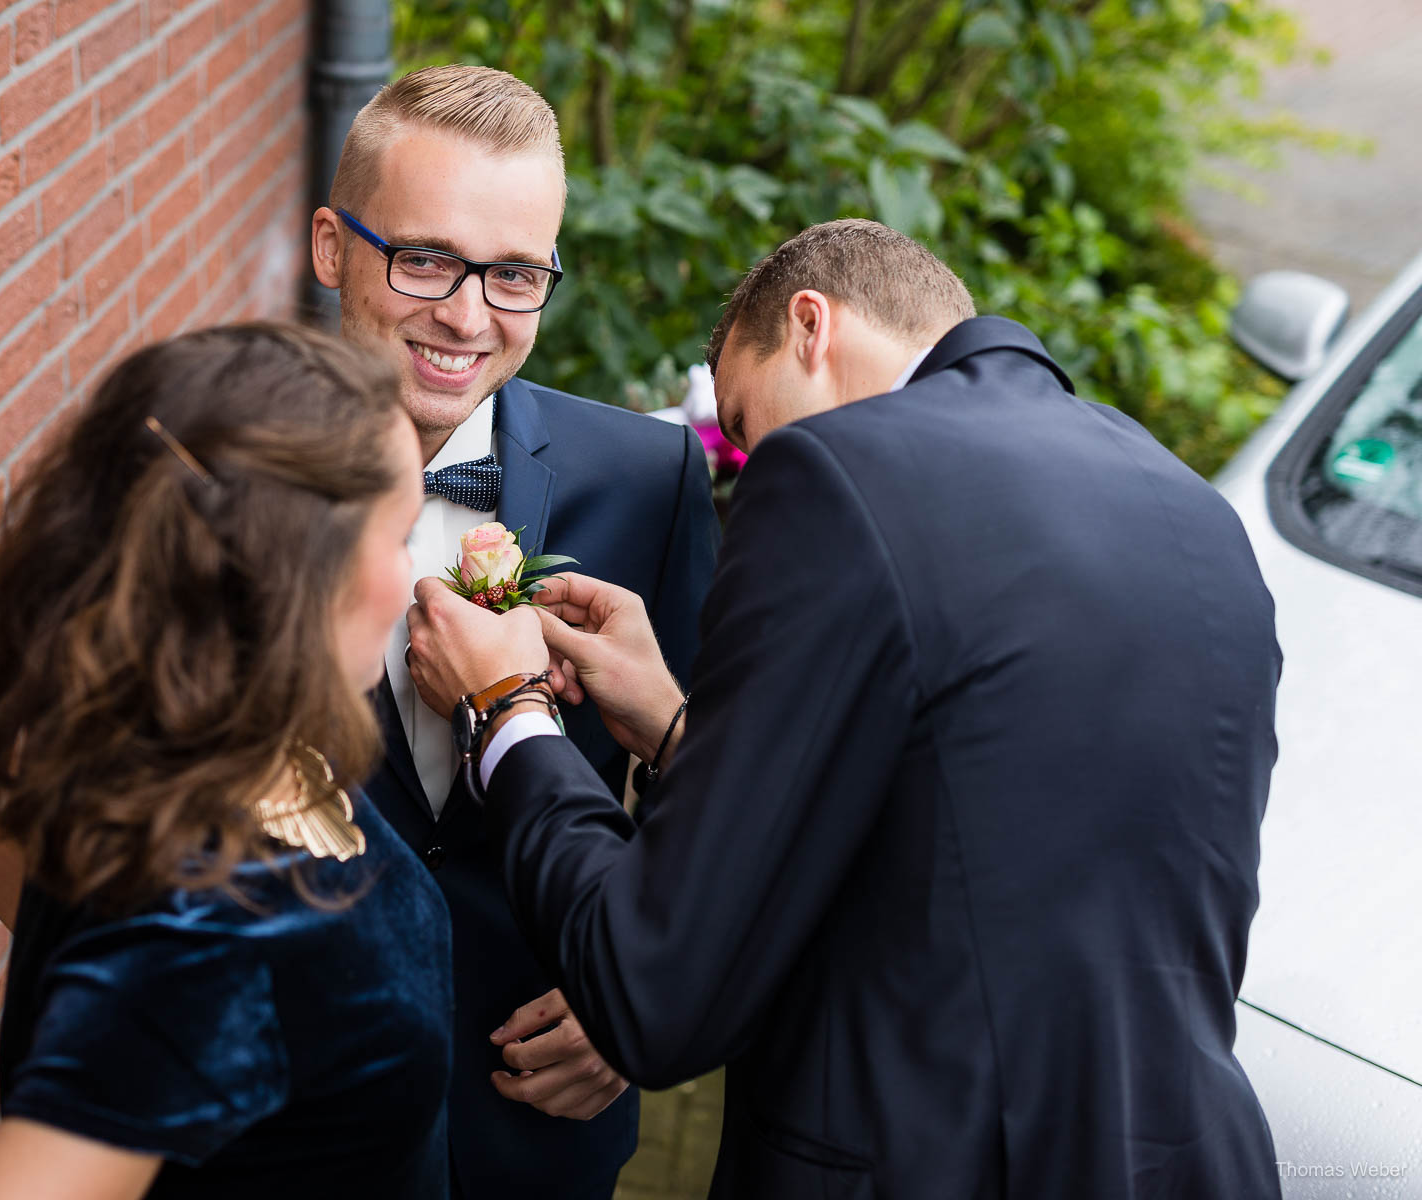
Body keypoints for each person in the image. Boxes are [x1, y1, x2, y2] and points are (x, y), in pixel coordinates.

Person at [405, 220, 1284, 1198]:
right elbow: (956, 841)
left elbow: (655, 992)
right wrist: (672, 723)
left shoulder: (835, 473)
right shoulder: (1198, 517)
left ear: (810, 327)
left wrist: (508, 711)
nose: (746, 460)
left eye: (740, 423)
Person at [0, 324, 449, 1199]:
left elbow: (7, 869)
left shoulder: (211, 742)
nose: (413, 571)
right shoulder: (210, 936)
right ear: (297, 575)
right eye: (400, 535)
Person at [310, 64, 721, 1199]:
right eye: (425, 257)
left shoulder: (652, 480)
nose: (466, 313)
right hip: (292, 1126)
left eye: (514, 273)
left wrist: (636, 997)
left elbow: (714, 790)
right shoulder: (212, 475)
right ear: (331, 247)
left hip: (536, 1123)